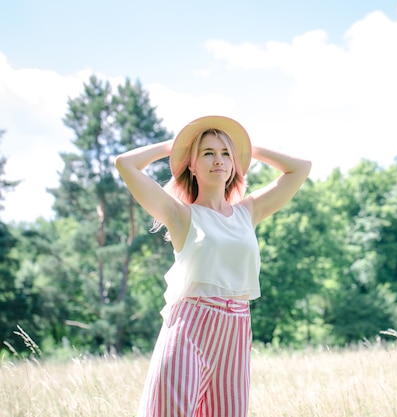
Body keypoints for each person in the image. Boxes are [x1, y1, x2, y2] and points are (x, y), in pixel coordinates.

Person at [115, 115, 311, 417]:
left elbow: (301, 168)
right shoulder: (180, 214)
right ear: (192, 165)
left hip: (236, 327)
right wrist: (175, 146)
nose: (218, 160)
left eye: (225, 154)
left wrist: (247, 148)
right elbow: (125, 164)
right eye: (207, 153)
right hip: (190, 326)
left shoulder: (249, 211)